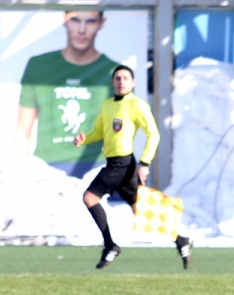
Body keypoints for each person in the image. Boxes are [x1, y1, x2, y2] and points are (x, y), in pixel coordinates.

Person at [73, 65, 193, 269]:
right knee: (141, 207)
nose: (121, 82)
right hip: (116, 164)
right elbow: (99, 132)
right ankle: (181, 240)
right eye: (118, 78)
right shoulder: (107, 105)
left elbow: (153, 134)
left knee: (89, 198)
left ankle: (110, 245)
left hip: (122, 164)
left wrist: (145, 163)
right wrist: (84, 139)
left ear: (133, 82)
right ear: (113, 82)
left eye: (125, 78)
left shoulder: (137, 105)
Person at [16, 11, 121, 178]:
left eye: (90, 22)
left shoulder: (115, 73)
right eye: (75, 20)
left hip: (94, 170)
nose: (81, 30)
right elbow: (23, 130)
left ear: (101, 23)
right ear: (64, 20)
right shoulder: (38, 66)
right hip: (46, 169)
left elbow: (120, 138)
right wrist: (20, 175)